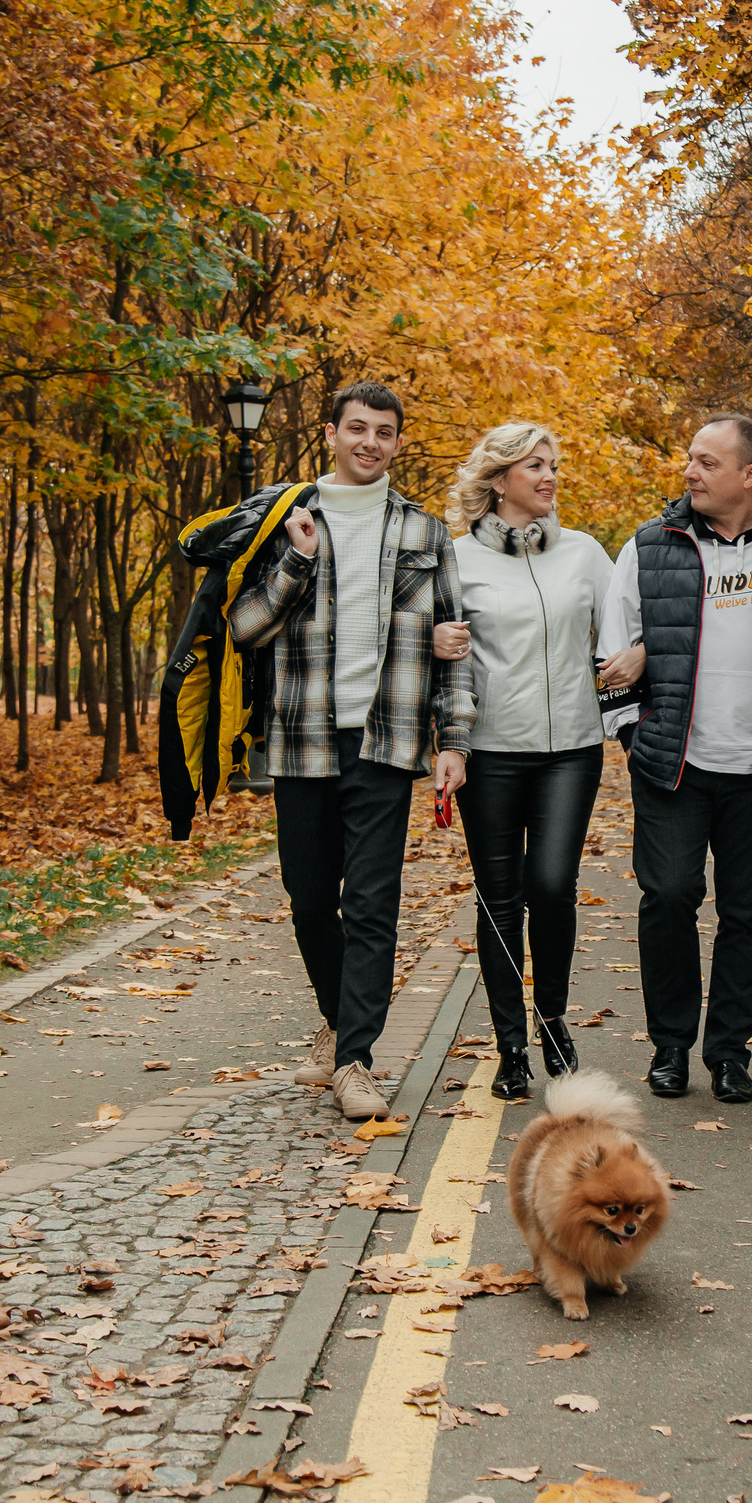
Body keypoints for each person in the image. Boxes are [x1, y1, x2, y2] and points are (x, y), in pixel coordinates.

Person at [228, 382, 473, 1120]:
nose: (370, 441)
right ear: (331, 433)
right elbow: (244, 627)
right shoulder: (287, 520)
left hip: (387, 738)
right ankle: (340, 1027)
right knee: (310, 900)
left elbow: (456, 642)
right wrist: (296, 562)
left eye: (385, 431)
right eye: (357, 428)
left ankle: (356, 1059)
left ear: (399, 442)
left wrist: (452, 740)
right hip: (302, 736)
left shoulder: (425, 532)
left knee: (372, 902)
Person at [599, 414, 752, 1103]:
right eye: (689, 460)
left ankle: (728, 1052)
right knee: (668, 897)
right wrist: (634, 733)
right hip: (674, 764)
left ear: (749, 475)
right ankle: (670, 1047)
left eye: (706, 461)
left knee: (746, 912)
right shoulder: (648, 546)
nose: (689, 472)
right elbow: (610, 657)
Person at [429, 423, 636, 1100]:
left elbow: (626, 628)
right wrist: (434, 639)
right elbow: (425, 649)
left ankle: (551, 1019)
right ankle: (510, 1046)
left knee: (550, 884)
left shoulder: (583, 554)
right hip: (488, 754)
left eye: (554, 465)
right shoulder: (455, 560)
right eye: (535, 466)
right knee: (499, 900)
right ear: (497, 480)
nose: (550, 476)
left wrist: (635, 660)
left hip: (570, 750)